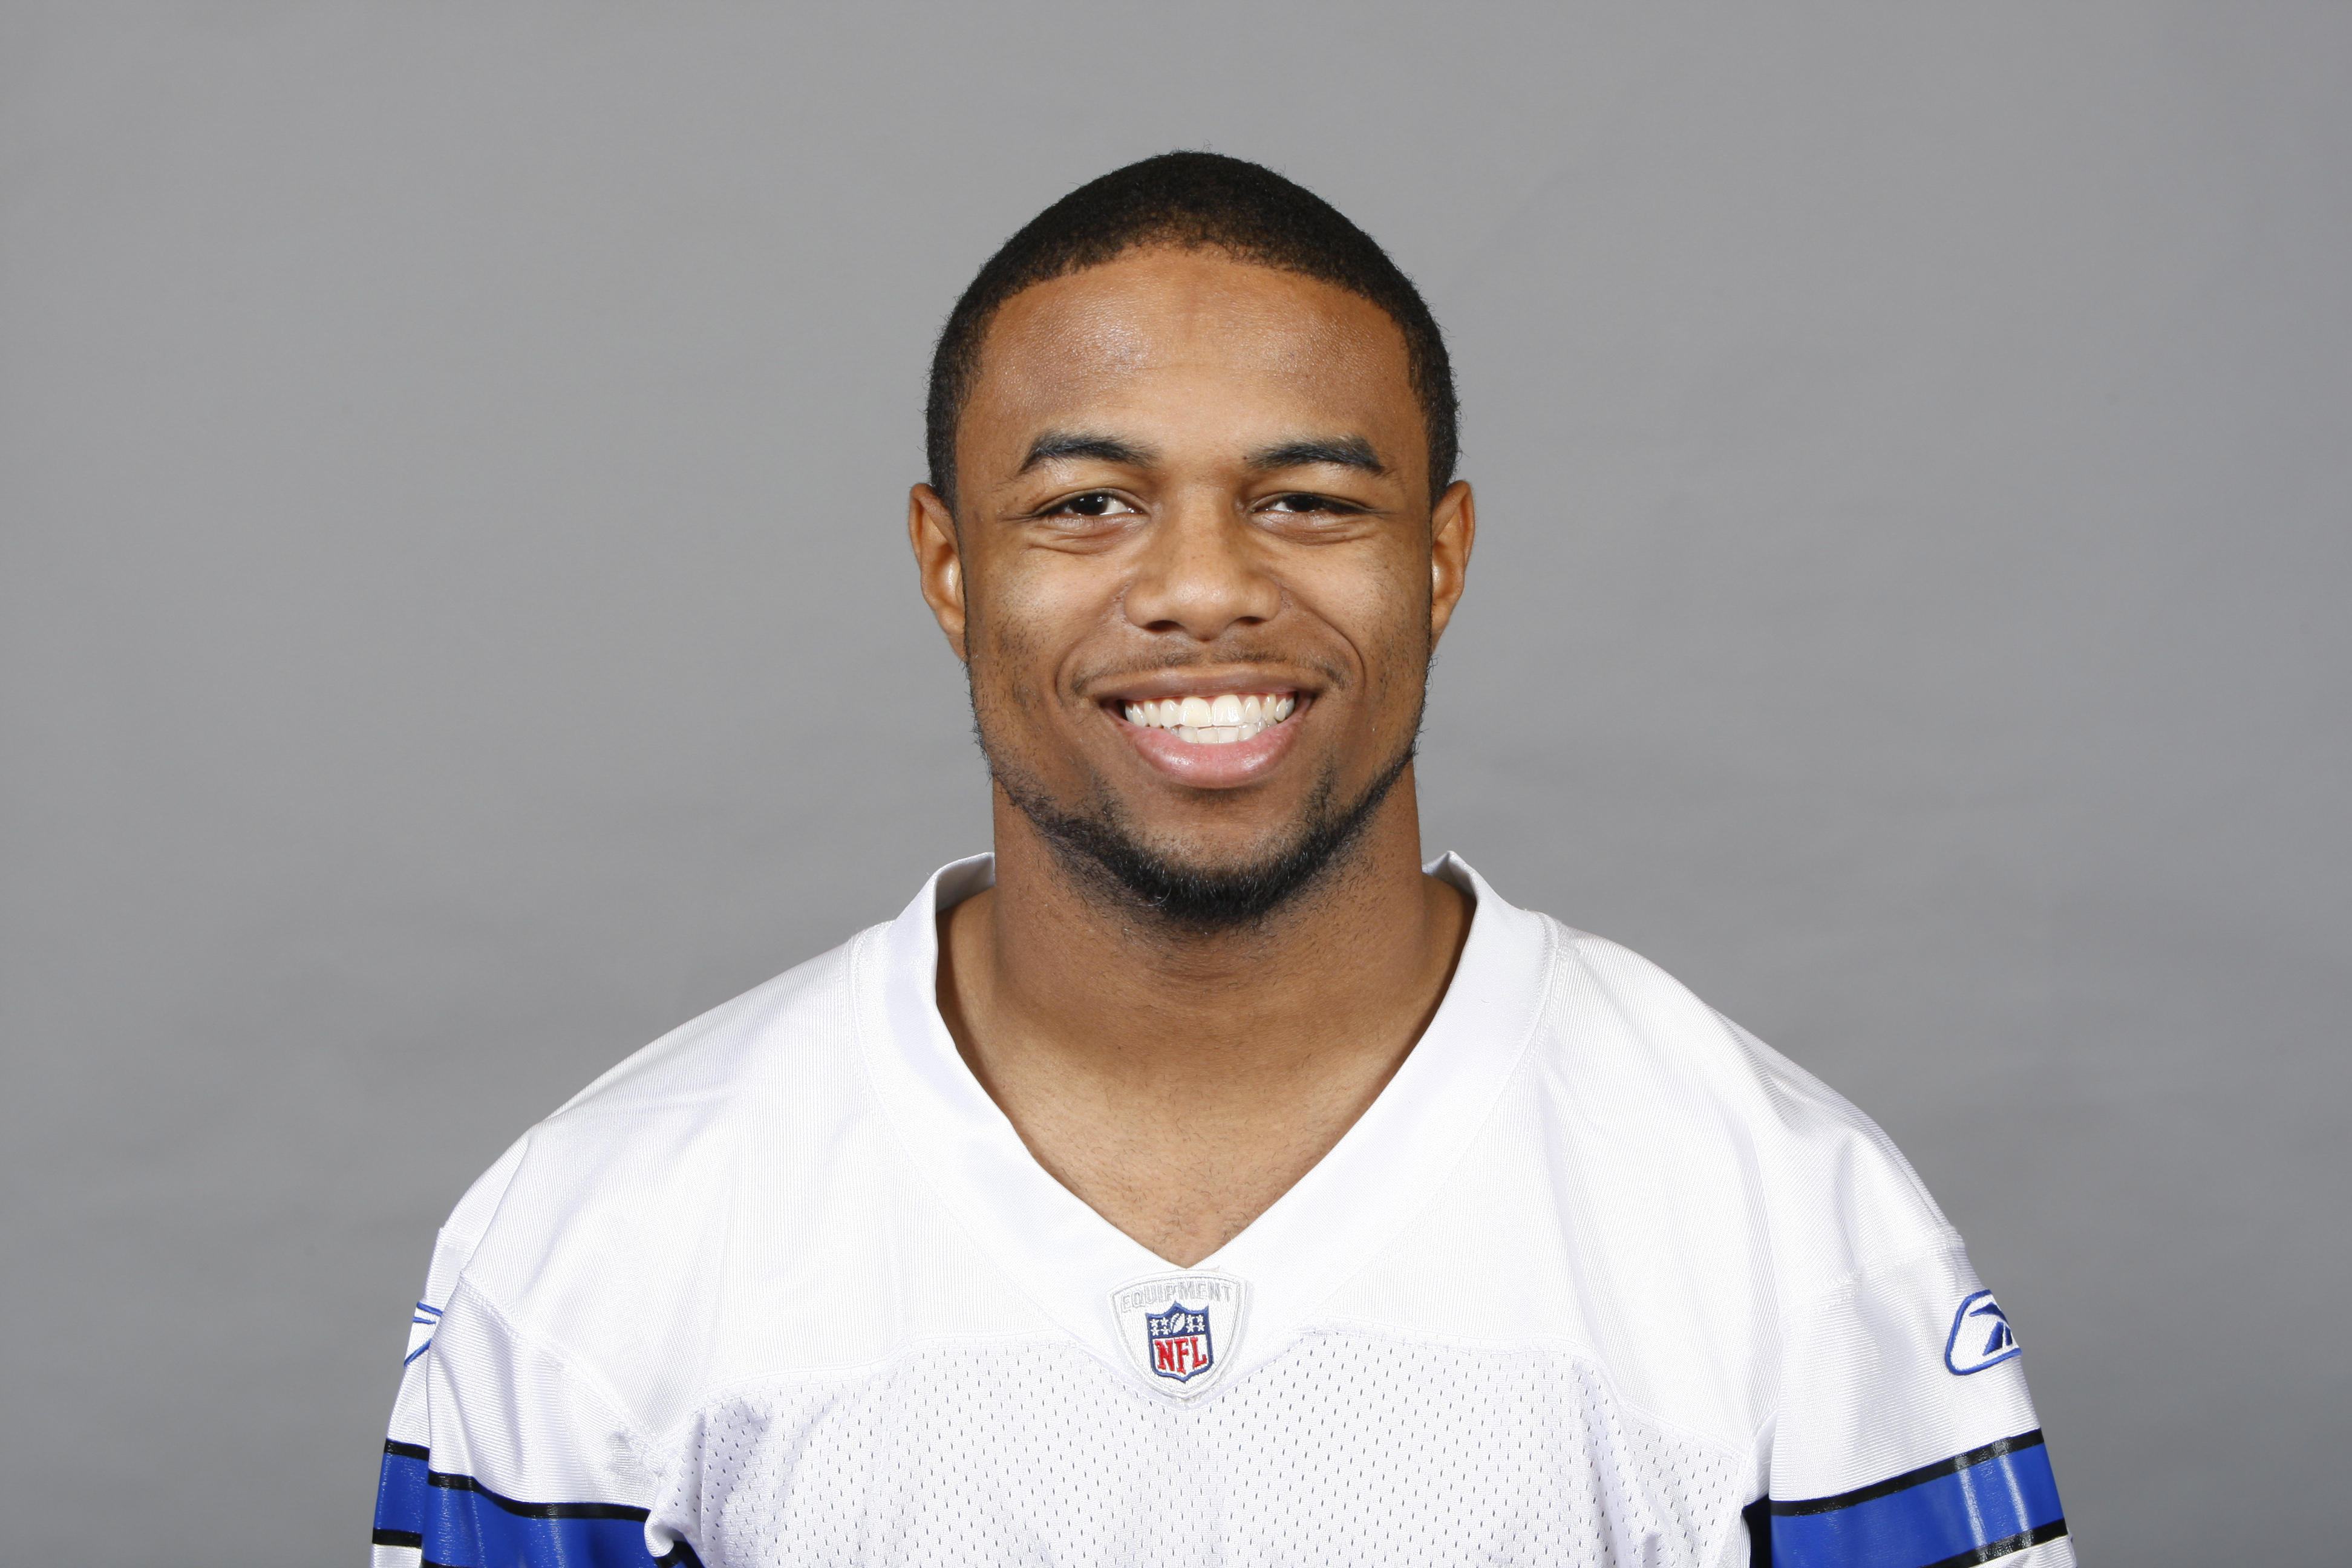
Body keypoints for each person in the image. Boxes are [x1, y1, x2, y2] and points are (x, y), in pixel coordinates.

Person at [371, 152, 2070, 1568]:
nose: (1202, 589)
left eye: (1308, 501)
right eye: (1087, 506)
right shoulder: (599, 1240)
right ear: (950, 567)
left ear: (1441, 558)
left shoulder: (1786, 1226)